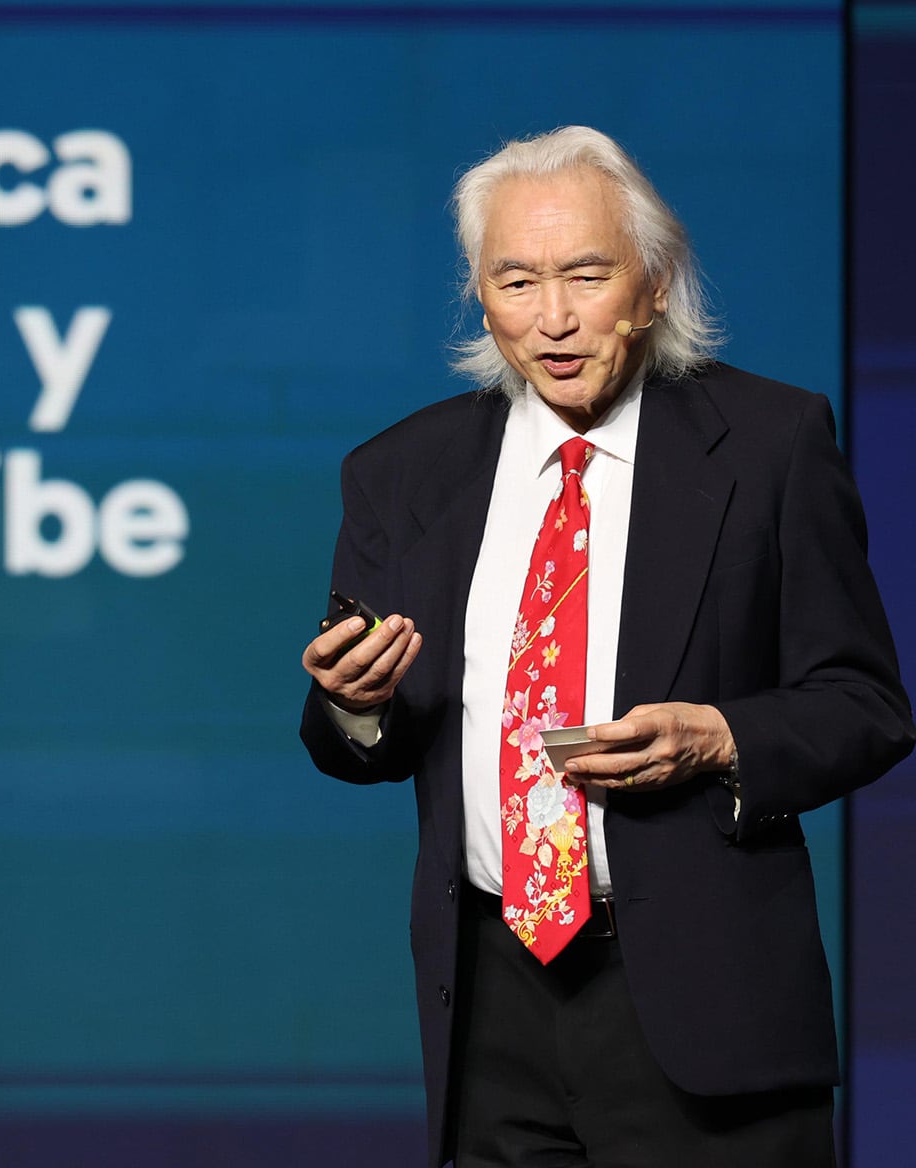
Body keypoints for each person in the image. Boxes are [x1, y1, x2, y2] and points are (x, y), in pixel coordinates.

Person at [298, 125, 914, 1167]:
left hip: (703, 1002)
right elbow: (372, 737)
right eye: (517, 280)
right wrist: (354, 702)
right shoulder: (405, 472)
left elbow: (865, 703)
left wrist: (721, 736)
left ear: (656, 283)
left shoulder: (771, 445)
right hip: (492, 1006)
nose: (554, 319)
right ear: (480, 296)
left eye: (587, 274)